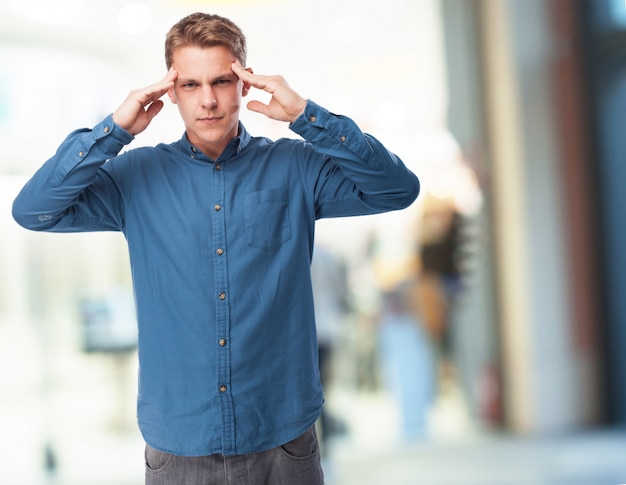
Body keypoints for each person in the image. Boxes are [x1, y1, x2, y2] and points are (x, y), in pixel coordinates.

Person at [12, 12, 420, 485]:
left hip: (282, 439)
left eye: (222, 81)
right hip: (180, 445)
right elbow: (34, 211)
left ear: (244, 83)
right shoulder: (134, 178)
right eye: (190, 85)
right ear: (170, 91)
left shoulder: (296, 168)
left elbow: (397, 190)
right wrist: (114, 129)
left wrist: (309, 117)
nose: (207, 100)